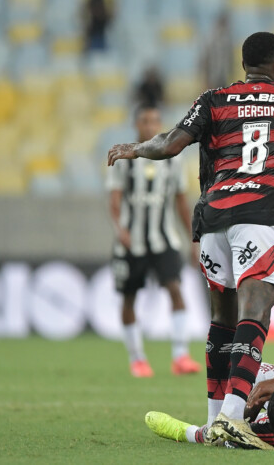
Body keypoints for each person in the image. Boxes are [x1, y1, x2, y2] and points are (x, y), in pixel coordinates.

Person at [108, 32, 274, 441]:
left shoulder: (214, 99)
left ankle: (213, 416)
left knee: (222, 318)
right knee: (254, 314)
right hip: (258, 216)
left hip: (214, 218)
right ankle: (233, 418)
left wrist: (134, 148)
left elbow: (169, 145)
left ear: (244, 65)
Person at [106, 104, 201, 378]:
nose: (150, 126)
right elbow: (113, 200)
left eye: (155, 121)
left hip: (164, 238)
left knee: (175, 290)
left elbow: (181, 202)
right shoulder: (122, 157)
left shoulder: (173, 159)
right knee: (128, 298)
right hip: (130, 241)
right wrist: (119, 229)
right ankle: (137, 358)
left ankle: (180, 356)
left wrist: (192, 239)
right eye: (145, 121)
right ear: (137, 124)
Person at [145, 364, 274, 449]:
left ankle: (186, 431)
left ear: (269, 417)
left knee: (216, 433)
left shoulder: (264, 434)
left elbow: (226, 433)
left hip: (270, 405)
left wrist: (254, 405)